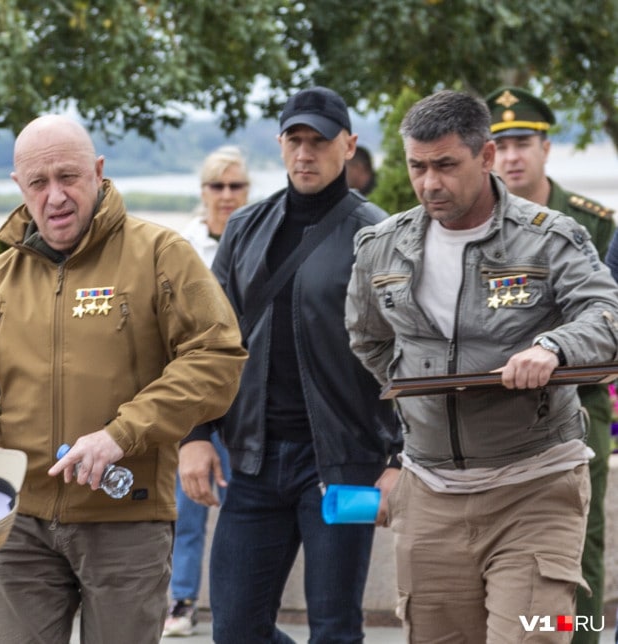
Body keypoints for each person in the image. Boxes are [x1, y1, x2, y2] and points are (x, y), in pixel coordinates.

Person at [0, 114, 247, 644]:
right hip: (17, 523)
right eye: (38, 182)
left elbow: (216, 356)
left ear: (98, 172)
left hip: (127, 521)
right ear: (19, 187)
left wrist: (122, 434)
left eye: (69, 176)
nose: (55, 196)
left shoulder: (162, 255)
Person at [345, 89, 618, 643]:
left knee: (537, 633)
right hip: (430, 491)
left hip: (534, 484)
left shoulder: (550, 236)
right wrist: (423, 398)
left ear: (485, 156)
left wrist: (552, 348)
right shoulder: (381, 246)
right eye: (417, 167)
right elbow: (368, 339)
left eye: (446, 165)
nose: (429, 183)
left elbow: (607, 315)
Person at [180, 86, 401, 644]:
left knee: (334, 630)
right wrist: (196, 434)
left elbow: (408, 352)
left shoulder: (378, 235)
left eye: (319, 142)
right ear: (280, 144)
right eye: (294, 140)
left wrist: (400, 458)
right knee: (236, 629)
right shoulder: (244, 228)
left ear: (348, 145)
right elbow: (209, 340)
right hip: (254, 463)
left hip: (343, 464)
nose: (305, 154)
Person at [486, 85, 615, 643]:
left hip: (577, 410)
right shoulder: (474, 223)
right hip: (489, 412)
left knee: (579, 548)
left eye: (523, 143)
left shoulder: (594, 224)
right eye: (501, 145)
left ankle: (579, 637)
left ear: (546, 148)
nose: (512, 156)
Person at [163, 145, 250, 638]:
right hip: (194, 395)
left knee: (243, 506)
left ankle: (238, 604)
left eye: (235, 185)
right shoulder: (182, 246)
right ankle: (182, 599)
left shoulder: (260, 236)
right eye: (218, 186)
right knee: (187, 506)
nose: (226, 195)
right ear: (203, 191)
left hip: (244, 397)